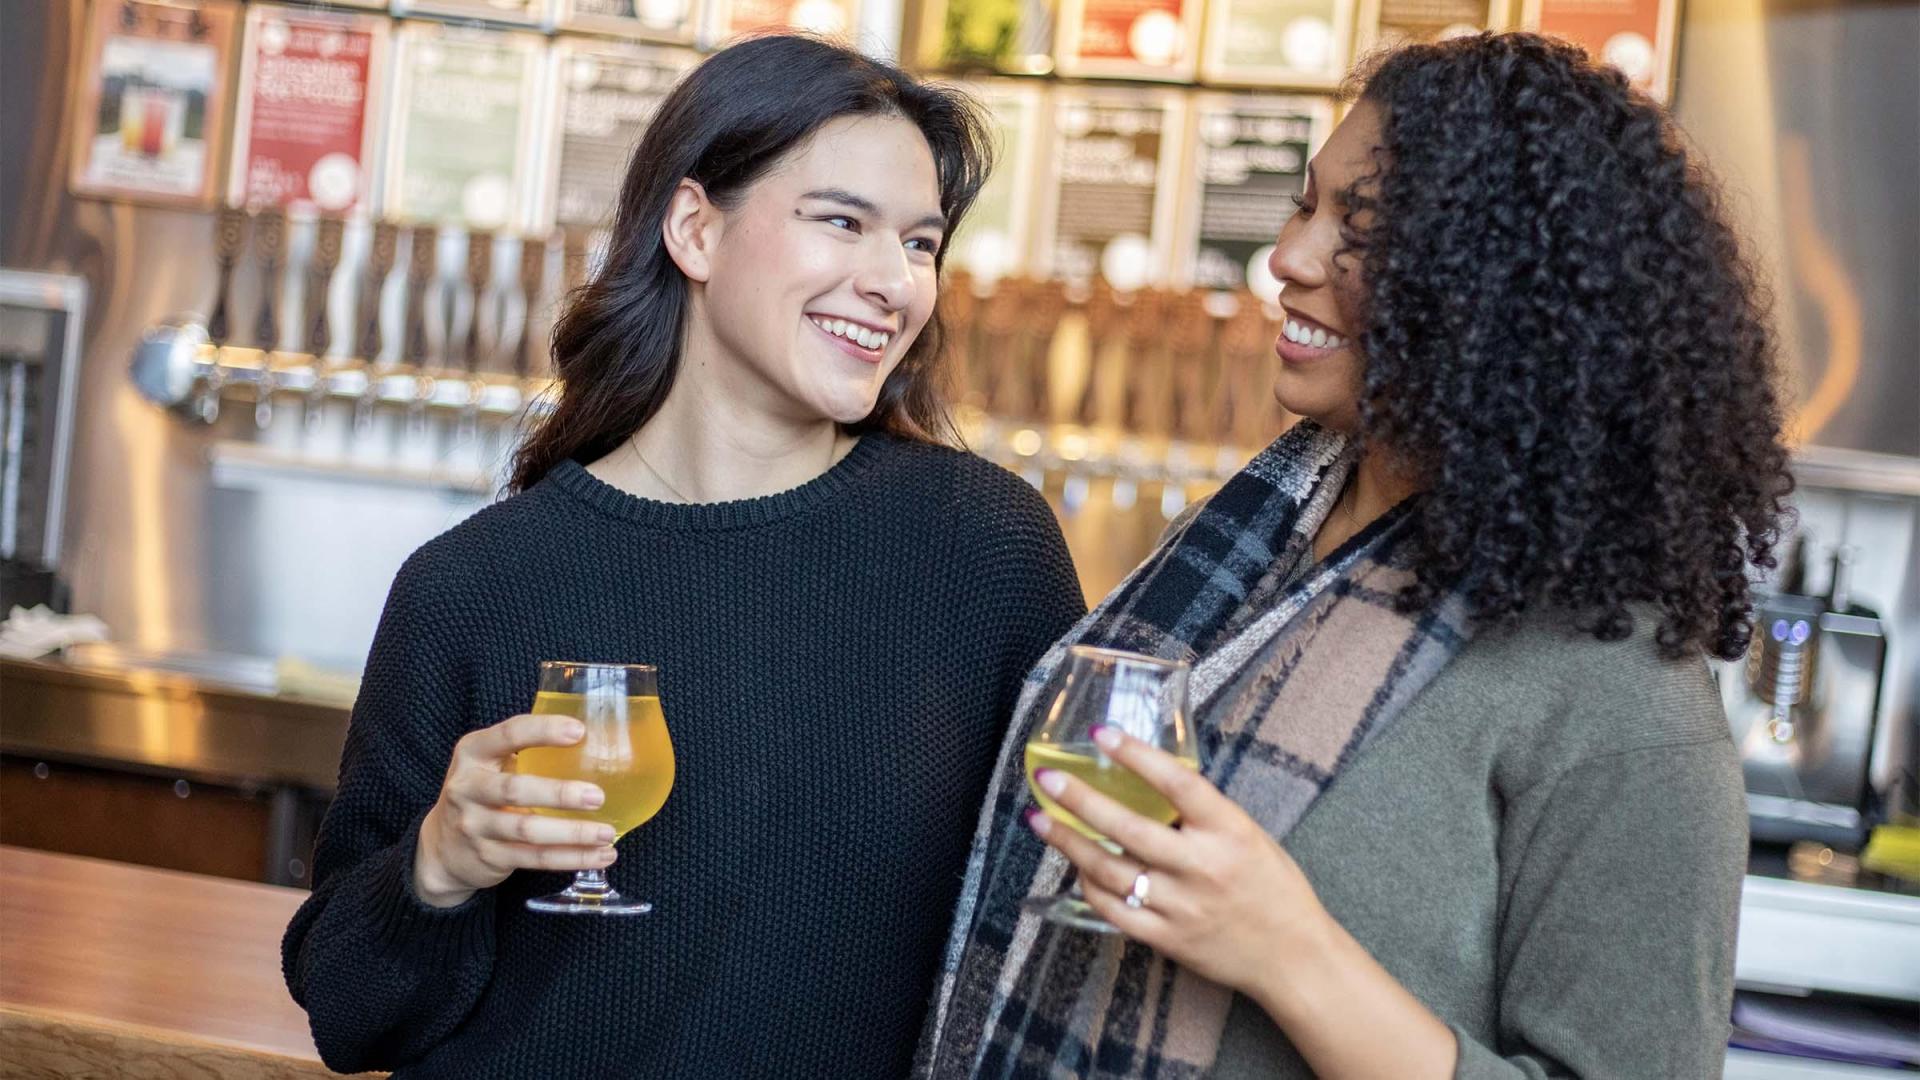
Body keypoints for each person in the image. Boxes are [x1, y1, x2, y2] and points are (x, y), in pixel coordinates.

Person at [919, 32, 1790, 1079]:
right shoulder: (1251, 542)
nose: (1286, 259)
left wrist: (1289, 953)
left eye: (1362, 230)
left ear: (1501, 291)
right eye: (1303, 205)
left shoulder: (1619, 690)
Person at [282, 34, 1085, 1078]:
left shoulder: (984, 554)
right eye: (841, 222)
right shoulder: (472, 585)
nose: (894, 282)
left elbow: (1059, 938)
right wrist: (436, 867)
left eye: (921, 244)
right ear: (696, 230)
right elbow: (346, 1016)